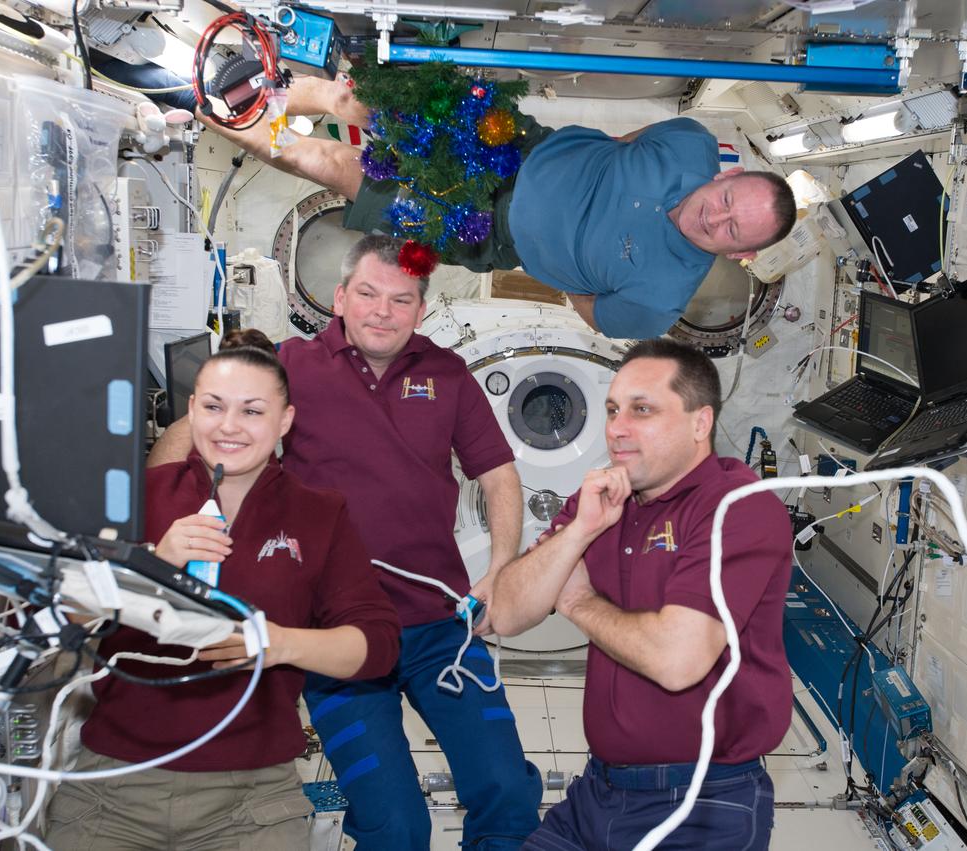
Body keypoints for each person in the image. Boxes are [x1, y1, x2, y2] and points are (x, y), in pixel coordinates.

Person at [148, 234, 542, 849]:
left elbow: (498, 476)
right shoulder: (291, 367)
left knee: (508, 791)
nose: (382, 311)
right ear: (339, 298)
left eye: (401, 300)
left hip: (440, 627)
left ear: (420, 309)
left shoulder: (447, 373)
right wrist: (182, 461)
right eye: (367, 294)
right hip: (336, 635)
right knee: (395, 824)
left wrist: (501, 571)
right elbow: (196, 441)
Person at [45, 329, 402, 850]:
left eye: (252, 411)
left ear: (285, 421)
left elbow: (378, 646)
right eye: (213, 407)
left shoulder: (319, 514)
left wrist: (279, 643)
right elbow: (56, 619)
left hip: (251, 802)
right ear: (191, 411)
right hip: (112, 789)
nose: (229, 426)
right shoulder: (135, 499)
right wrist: (149, 566)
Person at [198, 75, 797, 339]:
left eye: (732, 230)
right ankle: (243, 86)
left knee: (329, 164)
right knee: (358, 103)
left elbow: (592, 311)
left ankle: (199, 107)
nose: (715, 217)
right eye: (726, 200)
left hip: (483, 232)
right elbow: (629, 141)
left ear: (740, 254)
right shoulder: (691, 142)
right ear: (728, 175)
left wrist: (556, 254)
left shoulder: (659, 304)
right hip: (508, 145)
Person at [490, 338, 794, 850]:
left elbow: (677, 660)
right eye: (612, 410)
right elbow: (505, 612)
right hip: (597, 794)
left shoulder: (738, 507)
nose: (617, 428)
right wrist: (579, 531)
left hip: (702, 804)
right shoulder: (602, 500)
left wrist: (578, 602)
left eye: (642, 410)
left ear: (700, 423)